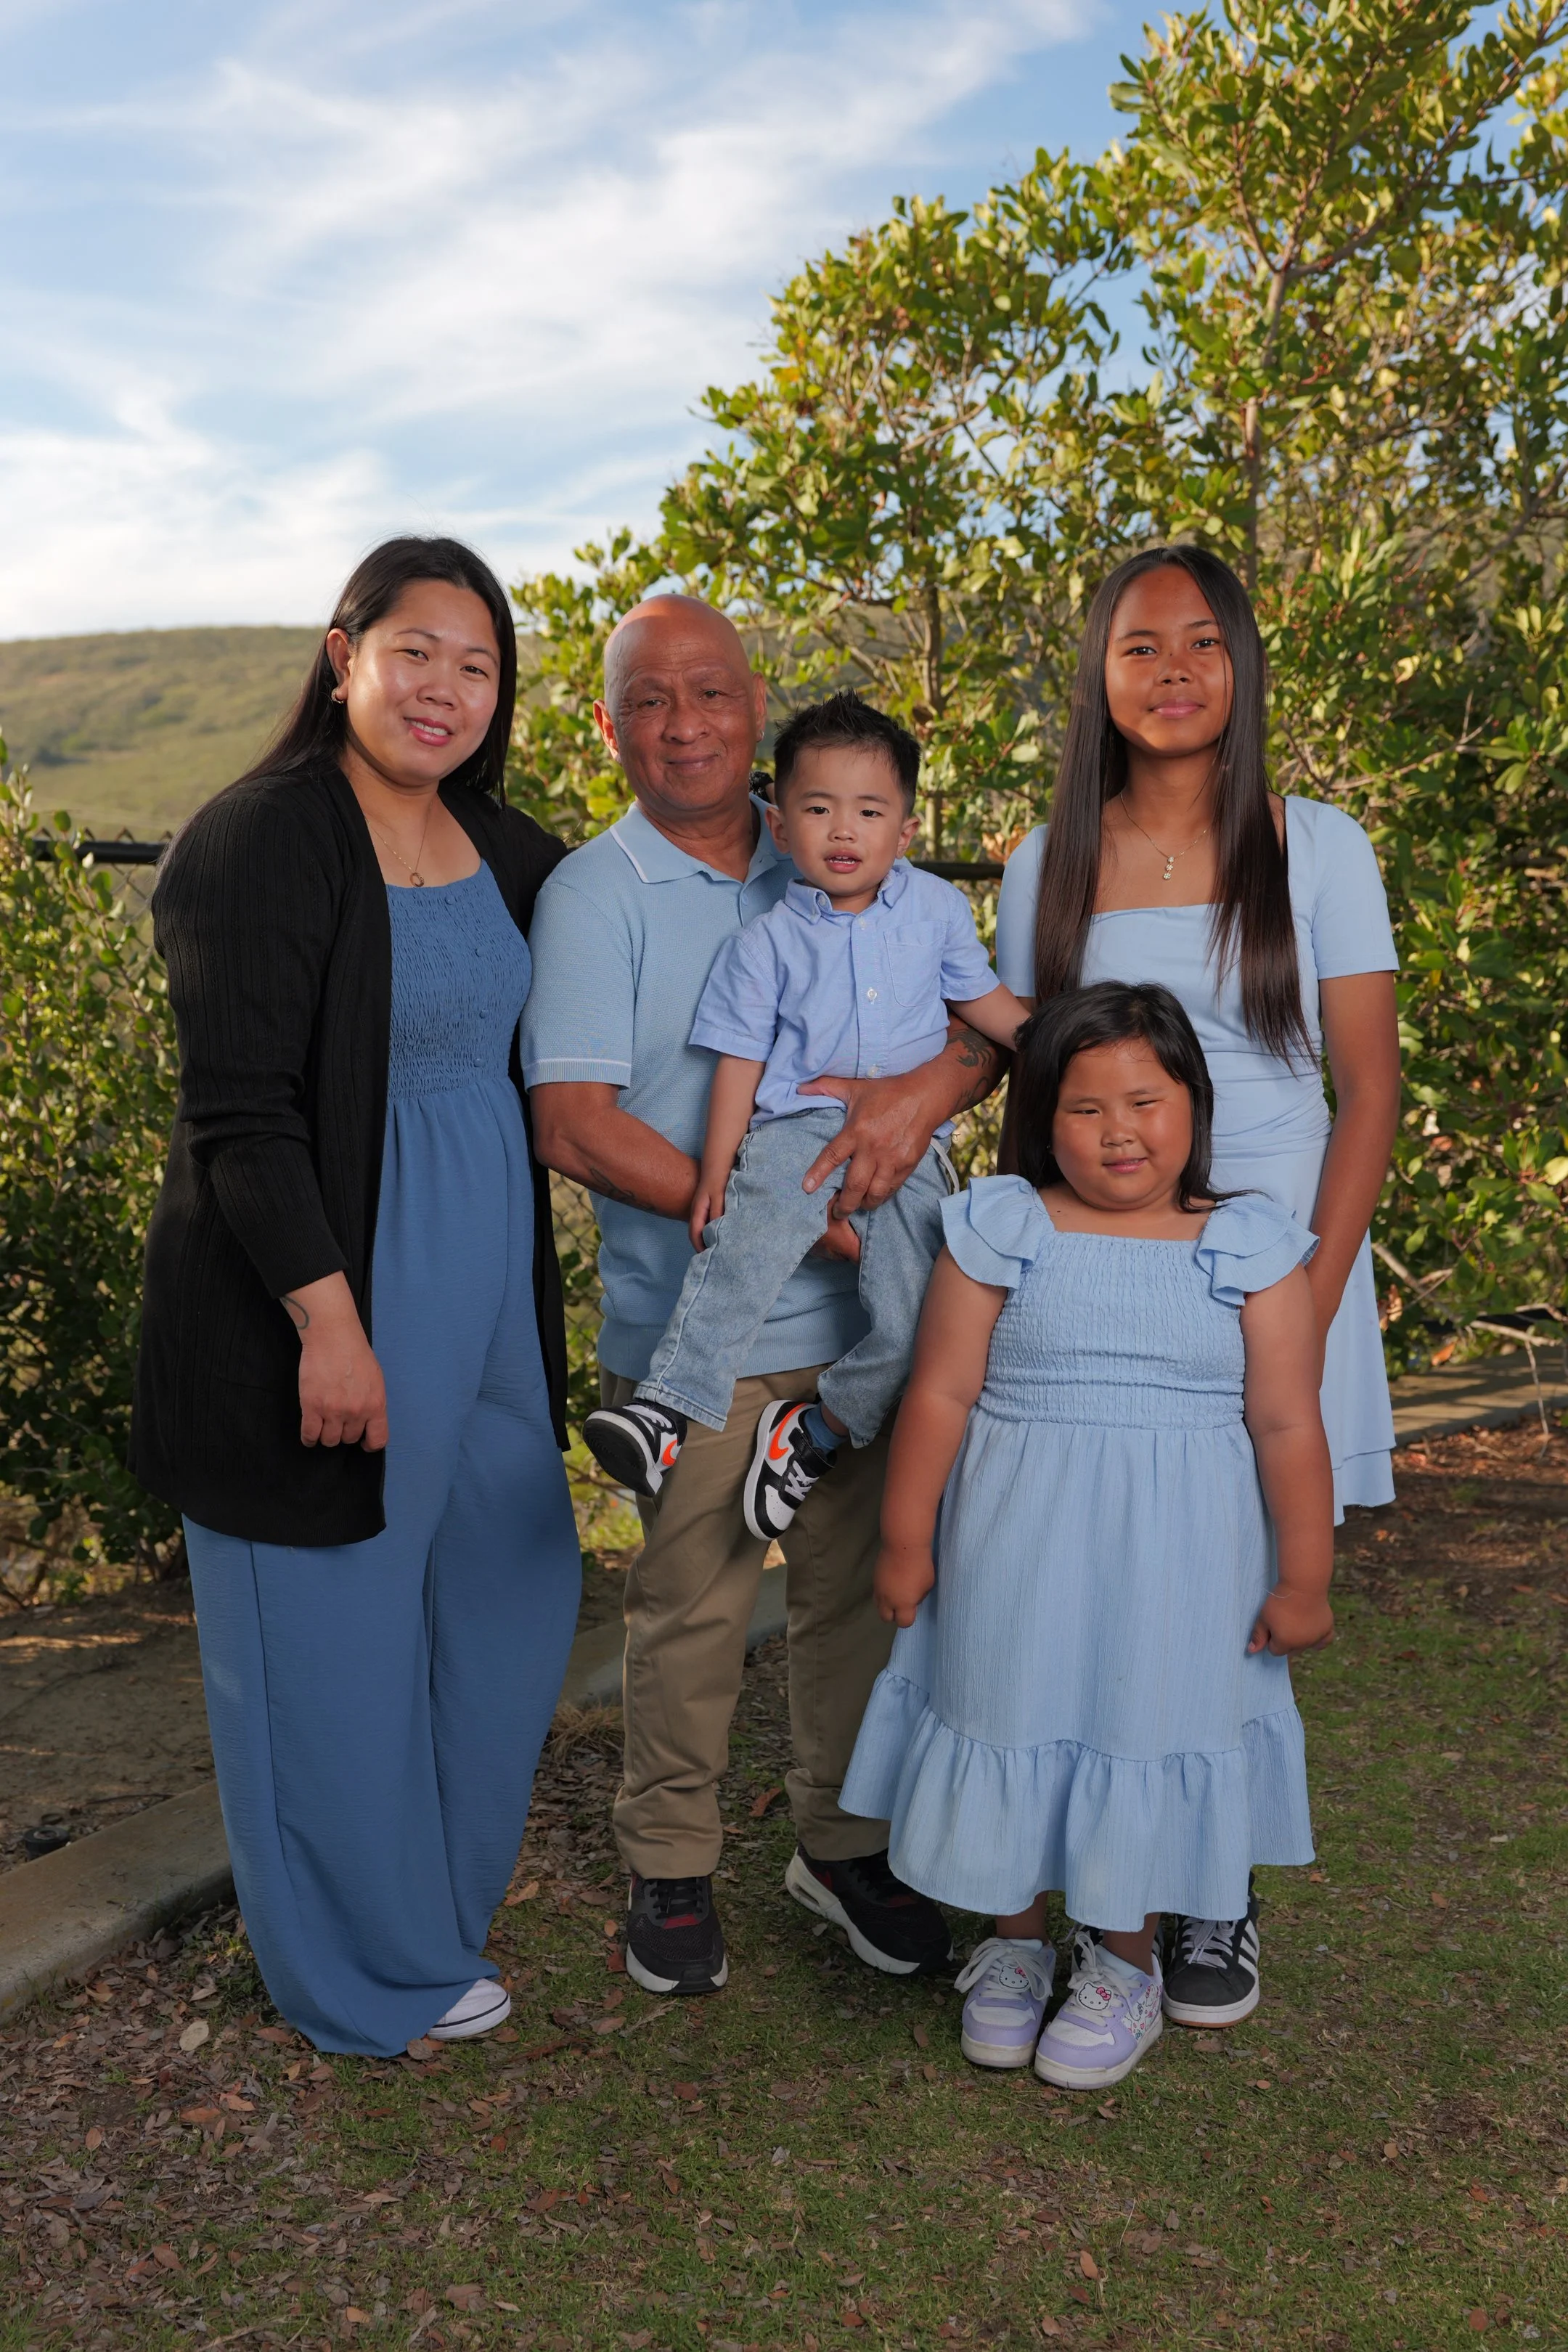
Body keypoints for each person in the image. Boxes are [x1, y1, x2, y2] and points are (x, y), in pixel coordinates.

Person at [131, 536, 581, 2058]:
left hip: (489, 1291)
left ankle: (435, 1917)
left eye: (478, 664)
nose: (446, 688)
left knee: (509, 1601)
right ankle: (355, 1974)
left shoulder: (512, 852)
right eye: (416, 652)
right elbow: (240, 1114)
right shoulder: (257, 838)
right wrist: (329, 1320)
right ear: (345, 656)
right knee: (327, 1645)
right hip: (320, 1289)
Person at [522, 597, 1007, 1997]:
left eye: (712, 693)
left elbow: (974, 1038)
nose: (685, 723)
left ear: (755, 710)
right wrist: (777, 1216)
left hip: (872, 1323)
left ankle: (843, 1844)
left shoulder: (831, 851)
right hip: (706, 1331)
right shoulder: (593, 894)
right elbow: (573, 1122)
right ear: (609, 726)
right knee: (691, 1610)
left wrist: (919, 1102)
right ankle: (669, 1869)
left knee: (856, 1599)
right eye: (652, 699)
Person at [992, 542, 1399, 2017]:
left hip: (1274, 1265)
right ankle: (1091, 1882)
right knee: (1115, 1570)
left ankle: (1213, 1896)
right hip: (1105, 1281)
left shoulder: (1318, 847)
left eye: (1202, 645)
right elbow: (1040, 1088)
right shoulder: (1051, 862)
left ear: (1243, 664)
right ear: (1098, 675)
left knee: (1240, 1586)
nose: (1173, 675)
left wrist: (1299, 1295)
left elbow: (1368, 1089)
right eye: (1140, 648)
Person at [841, 984, 1334, 2088]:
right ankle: (1015, 1946)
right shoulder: (1001, 1226)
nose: (1120, 1132)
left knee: (1141, 1723)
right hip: (1017, 1548)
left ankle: (1124, 1962)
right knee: (1008, 1709)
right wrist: (905, 1541)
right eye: (1086, 1108)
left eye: (1147, 1103)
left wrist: (1305, 1577)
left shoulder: (1248, 1247)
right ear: (1042, 1119)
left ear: (1194, 1108)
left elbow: (1289, 1421)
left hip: (1183, 1562)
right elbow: (938, 1396)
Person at [581, 692, 1026, 1540]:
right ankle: (664, 1414)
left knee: (920, 1319)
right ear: (781, 827)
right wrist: (718, 1174)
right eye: (818, 809)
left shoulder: (936, 911)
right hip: (799, 1134)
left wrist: (1067, 1048)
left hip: (907, 1150)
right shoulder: (764, 945)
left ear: (904, 826)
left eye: (869, 810)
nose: (843, 830)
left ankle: (815, 1432)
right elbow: (740, 1066)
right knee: (743, 1249)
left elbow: (986, 1002)